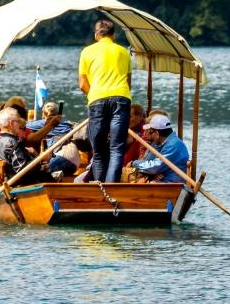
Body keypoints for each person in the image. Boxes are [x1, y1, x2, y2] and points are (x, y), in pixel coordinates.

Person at [78, 17, 134, 183]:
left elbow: (82, 84)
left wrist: (93, 94)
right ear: (113, 35)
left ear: (97, 35)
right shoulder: (123, 51)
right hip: (121, 97)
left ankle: (99, 189)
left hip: (97, 99)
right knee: (117, 148)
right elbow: (128, 82)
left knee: (99, 151)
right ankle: (111, 188)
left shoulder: (87, 52)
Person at [127, 112, 191, 185]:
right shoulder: (161, 142)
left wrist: (134, 163)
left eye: (150, 132)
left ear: (157, 133)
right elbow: (148, 161)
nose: (148, 134)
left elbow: (155, 167)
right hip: (162, 181)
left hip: (172, 184)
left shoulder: (173, 145)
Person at [0, 107, 30, 184]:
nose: (20, 125)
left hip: (9, 179)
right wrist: (40, 164)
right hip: (18, 183)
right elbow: (22, 169)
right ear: (12, 123)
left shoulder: (0, 139)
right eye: (18, 121)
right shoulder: (12, 143)